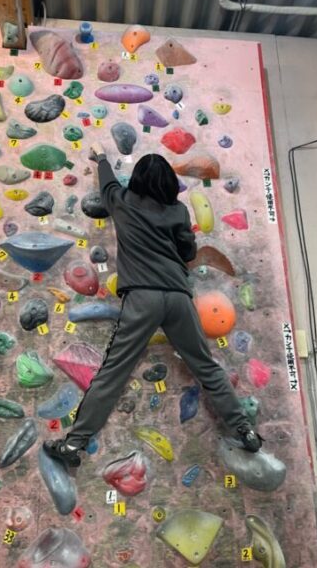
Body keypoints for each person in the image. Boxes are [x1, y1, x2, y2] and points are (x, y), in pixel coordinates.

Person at [44, 147, 263, 468]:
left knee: (113, 372)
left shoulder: (122, 201)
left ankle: (73, 445)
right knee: (206, 366)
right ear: (169, 183)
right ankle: (245, 431)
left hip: (142, 298)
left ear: (136, 180)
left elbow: (107, 185)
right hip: (178, 297)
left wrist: (101, 159)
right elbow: (188, 252)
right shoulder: (178, 212)